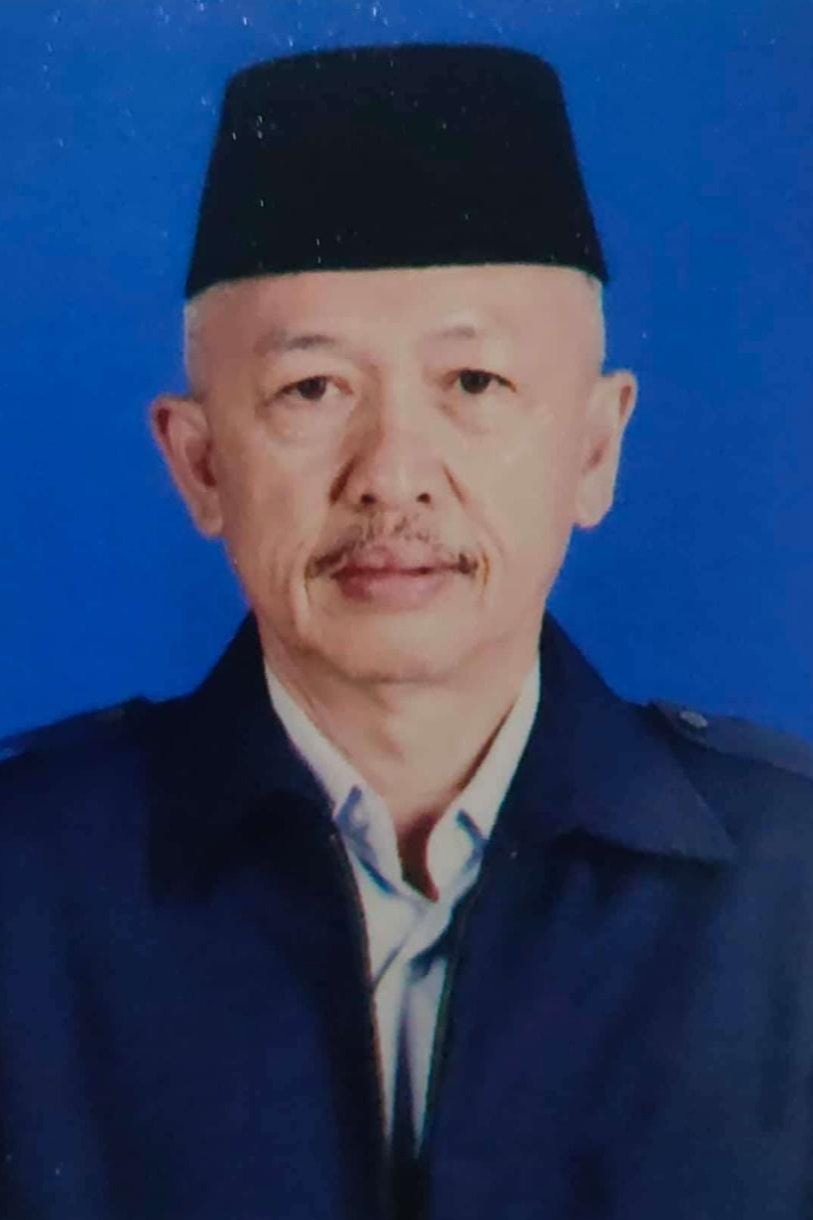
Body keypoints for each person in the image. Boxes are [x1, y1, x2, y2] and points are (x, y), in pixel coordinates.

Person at [1, 42, 812, 1220]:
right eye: (312, 389)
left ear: (595, 446)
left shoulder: (793, 884)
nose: (392, 473)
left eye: (473, 383)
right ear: (200, 461)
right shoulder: (23, 884)